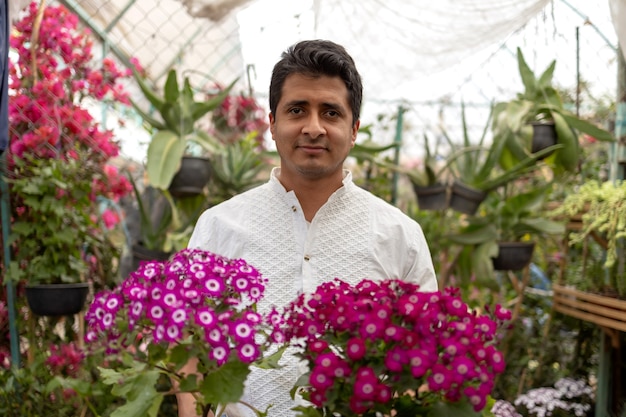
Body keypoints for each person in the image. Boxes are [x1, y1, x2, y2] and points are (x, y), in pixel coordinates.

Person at [182, 39, 437, 417]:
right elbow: (187, 345)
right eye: (297, 110)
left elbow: (426, 354)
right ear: (272, 123)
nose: (313, 128)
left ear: (353, 130)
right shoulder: (220, 226)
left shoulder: (399, 236)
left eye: (331, 113)